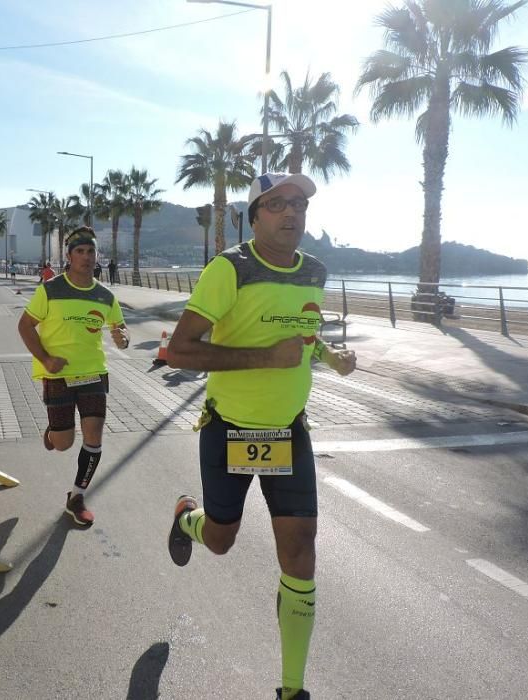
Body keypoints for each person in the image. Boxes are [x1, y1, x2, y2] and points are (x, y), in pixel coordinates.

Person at [164, 173, 357, 700]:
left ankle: (292, 689)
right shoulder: (230, 268)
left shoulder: (314, 270)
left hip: (289, 432)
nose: (291, 213)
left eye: (298, 204)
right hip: (228, 427)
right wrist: (264, 359)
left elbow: (304, 334)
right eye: (276, 204)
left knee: (300, 549)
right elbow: (178, 352)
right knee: (222, 541)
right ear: (255, 216)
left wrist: (330, 355)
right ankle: (187, 517)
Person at [17, 226, 130, 527]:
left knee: (94, 435)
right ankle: (54, 432)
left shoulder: (105, 296)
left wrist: (123, 338)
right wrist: (45, 359)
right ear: (68, 257)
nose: (86, 257)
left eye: (91, 251)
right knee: (64, 443)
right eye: (80, 251)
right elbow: (25, 326)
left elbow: (120, 329)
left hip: (93, 373)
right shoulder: (50, 290)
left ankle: (77, 496)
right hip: (59, 376)